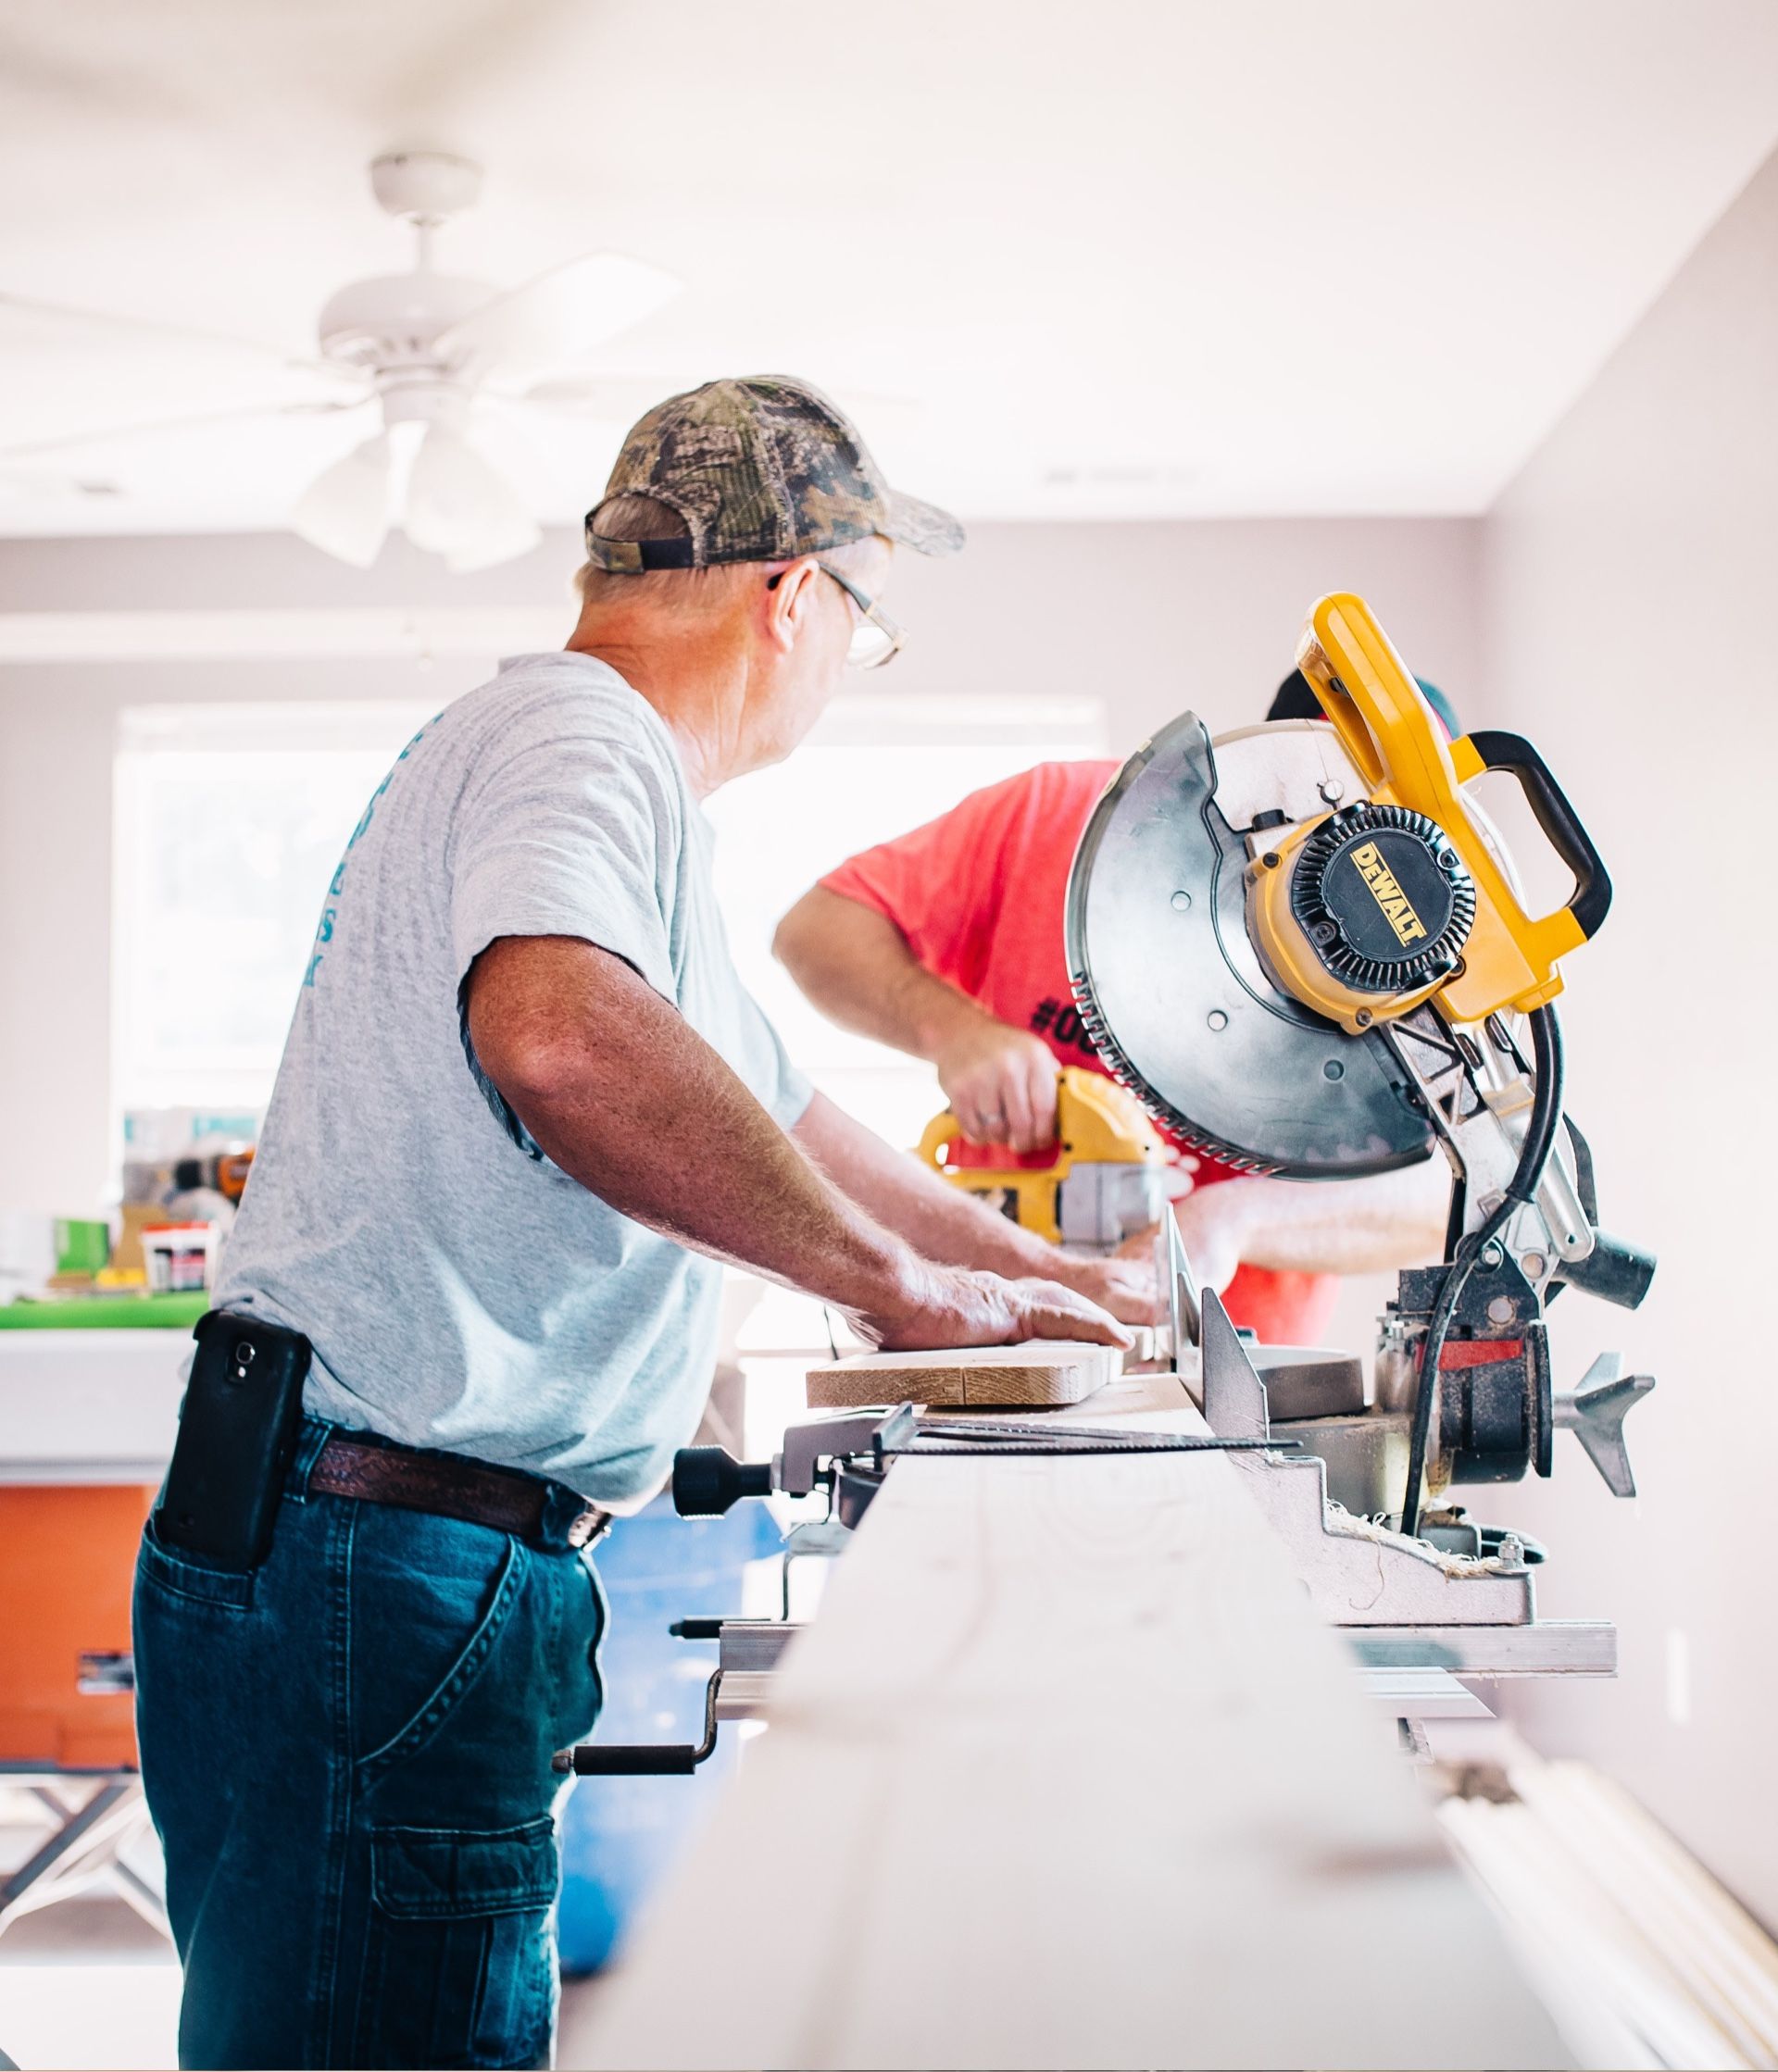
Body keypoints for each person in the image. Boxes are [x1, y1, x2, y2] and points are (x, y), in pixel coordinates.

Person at [132, 377, 1148, 2070]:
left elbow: (785, 1106)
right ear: (795, 595)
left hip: (367, 1544)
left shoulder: (602, 791)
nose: (842, 660)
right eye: (863, 624)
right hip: (382, 1558)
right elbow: (557, 1034)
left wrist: (1030, 1275)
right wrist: (900, 1292)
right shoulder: (581, 738)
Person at [773, 672, 1459, 1344]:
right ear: (1262, 757)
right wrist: (952, 1030)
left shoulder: (1423, 971)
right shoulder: (1058, 816)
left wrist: (1234, 1217)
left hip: (1231, 1372)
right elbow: (815, 931)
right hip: (992, 1323)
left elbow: (1450, 1197)